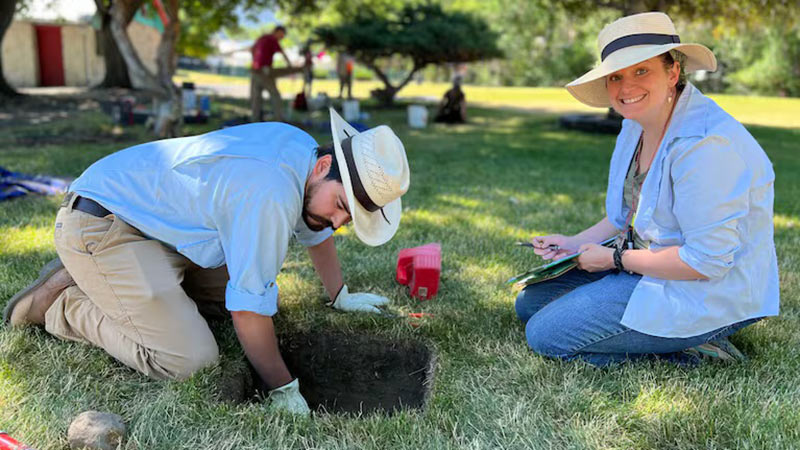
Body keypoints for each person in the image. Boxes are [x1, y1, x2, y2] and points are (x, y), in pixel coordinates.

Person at [4, 108, 411, 415]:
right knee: (189, 360)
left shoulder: (302, 151)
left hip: (167, 230)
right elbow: (249, 309)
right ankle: (63, 304)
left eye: (349, 219)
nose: (337, 224)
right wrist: (282, 388)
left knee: (233, 301)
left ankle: (117, 283)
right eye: (342, 206)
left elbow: (316, 229)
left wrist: (338, 294)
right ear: (325, 167)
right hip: (105, 224)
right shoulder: (269, 193)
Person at [515, 12, 778, 366]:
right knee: (530, 305)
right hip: (649, 264)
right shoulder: (635, 125)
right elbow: (627, 216)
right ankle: (655, 332)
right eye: (616, 76)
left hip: (706, 288)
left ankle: (693, 348)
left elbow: (707, 261)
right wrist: (574, 244)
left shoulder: (706, 145)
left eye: (641, 70)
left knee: (546, 335)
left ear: (673, 72)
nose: (626, 88)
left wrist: (613, 259)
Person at [250, 25, 308, 122]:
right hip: (264, 71)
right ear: (277, 32)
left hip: (255, 71)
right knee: (275, 96)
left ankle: (254, 120)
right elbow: (283, 54)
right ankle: (279, 119)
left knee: (256, 99)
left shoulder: (262, 38)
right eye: (282, 34)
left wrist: (255, 62)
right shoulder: (272, 40)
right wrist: (290, 66)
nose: (282, 37)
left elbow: (252, 49)